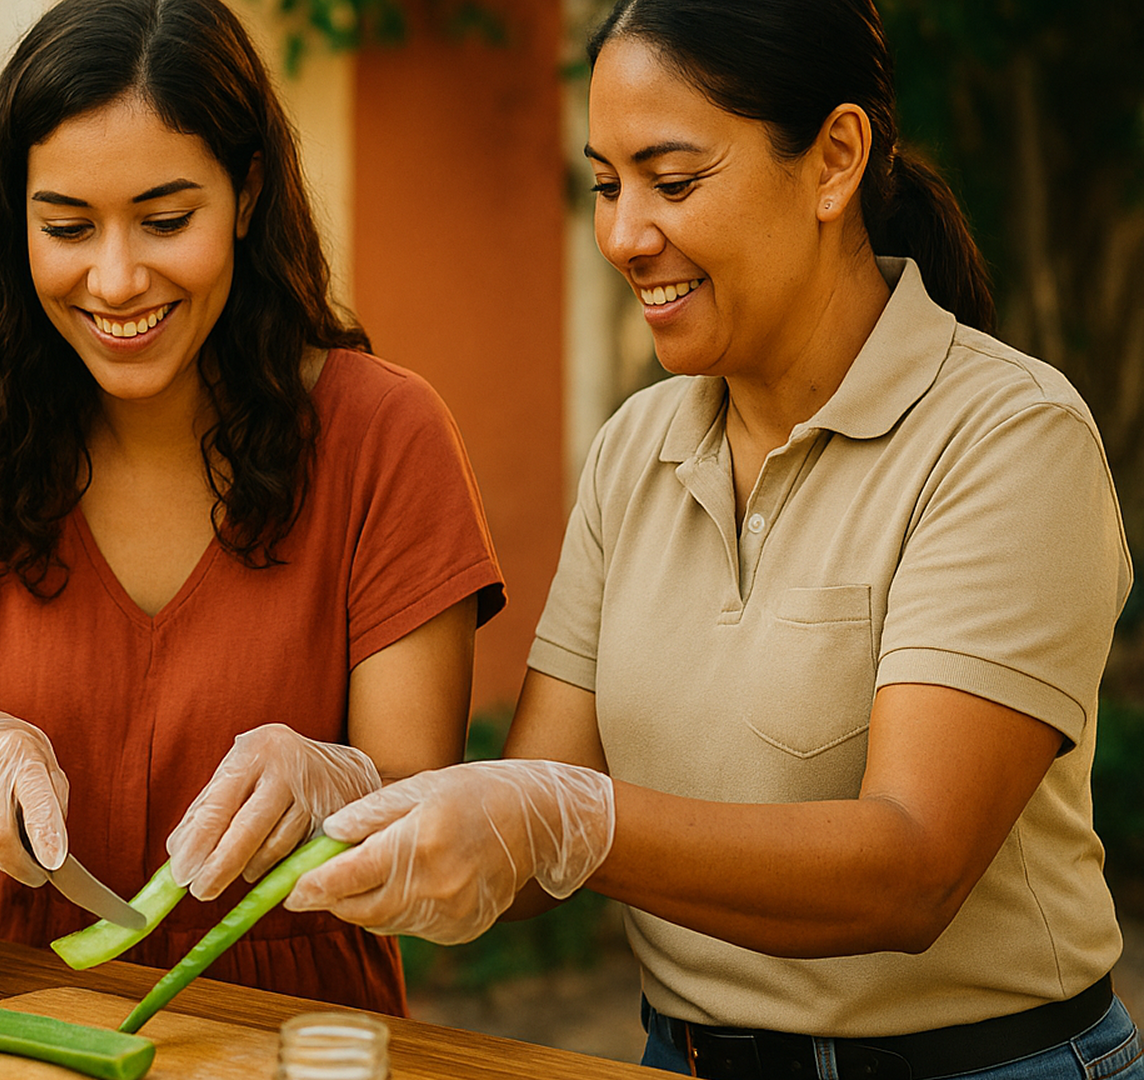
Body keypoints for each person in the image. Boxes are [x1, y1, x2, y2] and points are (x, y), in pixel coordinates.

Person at [285, 0, 1139, 1076]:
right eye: (605, 184)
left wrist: (573, 823)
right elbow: (533, 828)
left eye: (673, 182)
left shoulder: (1007, 440)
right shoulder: (637, 447)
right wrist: (350, 799)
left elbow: (914, 867)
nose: (622, 235)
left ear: (834, 159)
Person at [0, 0, 503, 1016]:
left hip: (302, 1029)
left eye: (166, 221)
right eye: (67, 227)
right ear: (12, 216)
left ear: (247, 194)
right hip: (37, 1014)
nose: (116, 281)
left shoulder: (386, 437)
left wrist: (336, 784)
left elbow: (426, 831)